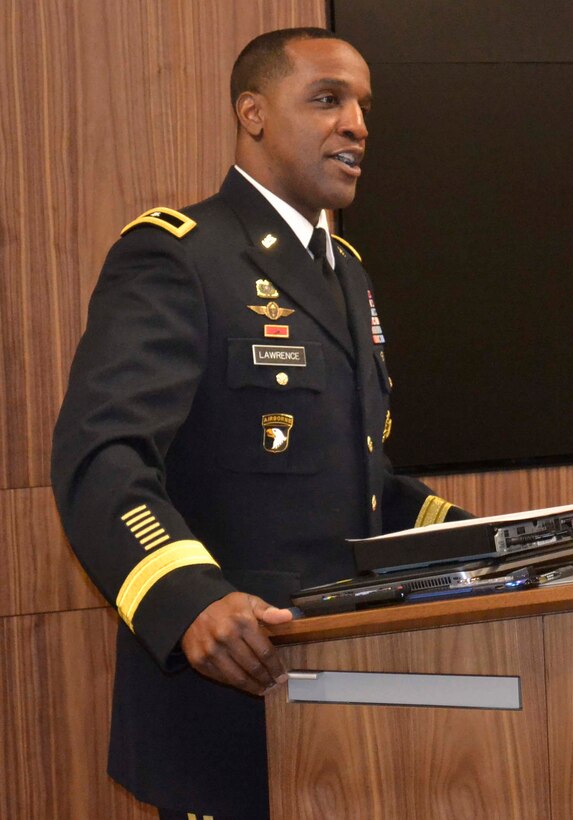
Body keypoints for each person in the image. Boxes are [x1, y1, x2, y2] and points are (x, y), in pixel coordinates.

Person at [51, 28, 469, 819]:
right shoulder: (179, 254)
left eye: (364, 106)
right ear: (252, 113)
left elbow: (359, 478)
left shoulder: (345, 271)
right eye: (326, 99)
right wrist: (189, 599)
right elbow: (102, 453)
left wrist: (499, 541)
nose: (357, 125)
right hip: (235, 692)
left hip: (352, 693)